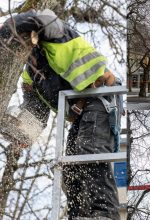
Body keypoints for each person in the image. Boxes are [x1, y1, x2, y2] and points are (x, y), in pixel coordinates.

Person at [0, 9, 122, 220]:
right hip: (79, 113)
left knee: (90, 152)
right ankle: (80, 215)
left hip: (101, 97)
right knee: (70, 168)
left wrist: (4, 28)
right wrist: (19, 130)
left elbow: (42, 17)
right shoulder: (30, 75)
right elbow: (35, 115)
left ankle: (104, 214)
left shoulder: (54, 34)